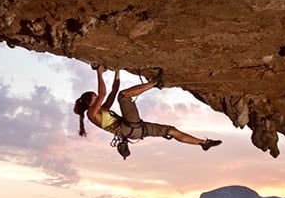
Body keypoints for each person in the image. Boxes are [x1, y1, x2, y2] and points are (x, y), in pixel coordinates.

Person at [73, 65, 222, 151]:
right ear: (88, 103)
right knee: (123, 96)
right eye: (94, 97)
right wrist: (99, 73)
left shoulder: (102, 110)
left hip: (134, 130)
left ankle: (203, 143)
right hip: (128, 127)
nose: (98, 98)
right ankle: (155, 83)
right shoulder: (92, 114)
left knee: (170, 130)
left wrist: (117, 70)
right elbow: (104, 93)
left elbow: (113, 90)